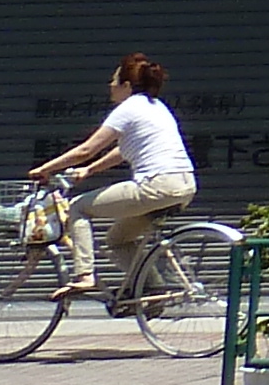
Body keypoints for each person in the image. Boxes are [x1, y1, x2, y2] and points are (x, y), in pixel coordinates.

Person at [30, 53, 196, 304]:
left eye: (114, 80)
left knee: (78, 207)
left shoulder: (128, 108)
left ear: (127, 86)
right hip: (184, 186)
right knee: (118, 241)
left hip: (156, 184)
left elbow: (86, 149)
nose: (110, 85)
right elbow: (122, 150)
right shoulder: (156, 106)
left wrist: (46, 168)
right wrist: (90, 170)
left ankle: (84, 275)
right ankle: (153, 293)